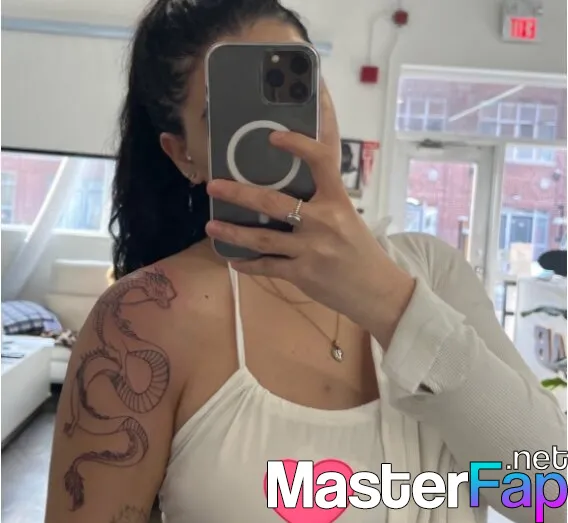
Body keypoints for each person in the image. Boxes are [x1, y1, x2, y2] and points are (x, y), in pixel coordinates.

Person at [45, 1, 566, 522]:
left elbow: (550, 498)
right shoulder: (146, 319)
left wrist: (392, 305)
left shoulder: (433, 274)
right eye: (229, 114)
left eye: (296, 93)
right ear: (183, 154)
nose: (275, 134)